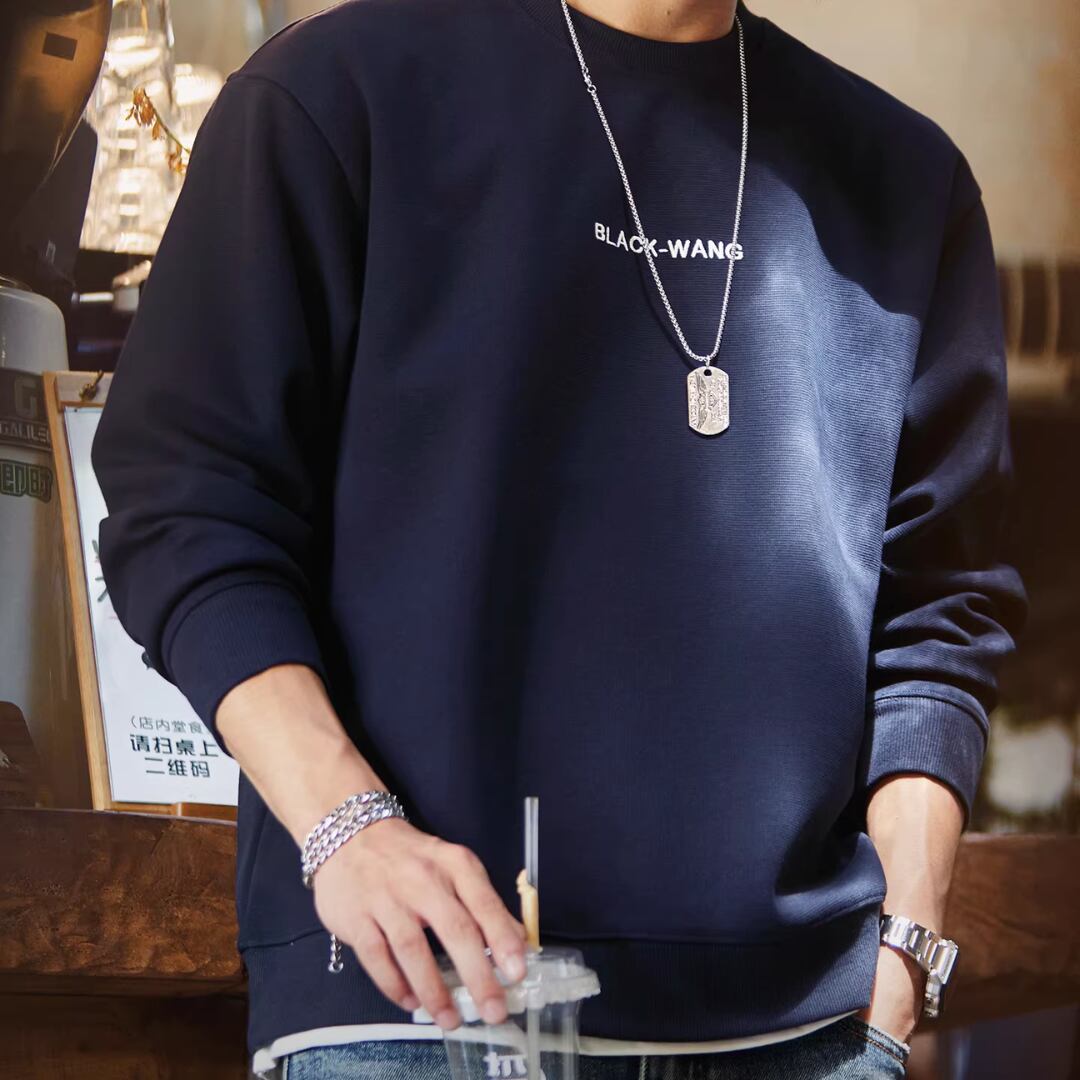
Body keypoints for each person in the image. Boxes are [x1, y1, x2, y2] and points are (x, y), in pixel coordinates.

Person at [91, 0, 1027, 1076]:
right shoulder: (337, 92)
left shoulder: (905, 177)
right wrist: (344, 825)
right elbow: (187, 501)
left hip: (809, 1036)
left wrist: (906, 946)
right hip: (420, 1016)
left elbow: (942, 605)